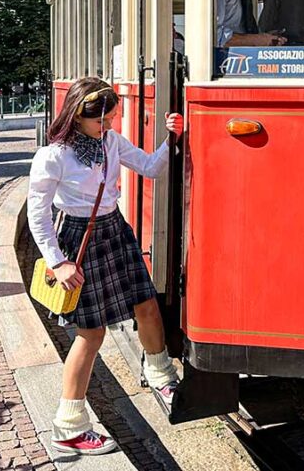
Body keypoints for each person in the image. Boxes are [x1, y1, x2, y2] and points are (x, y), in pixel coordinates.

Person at [26, 77, 184, 456]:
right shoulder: (53, 156)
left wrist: (170, 139)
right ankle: (68, 428)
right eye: (103, 121)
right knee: (91, 334)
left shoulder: (110, 142)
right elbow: (38, 215)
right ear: (79, 116)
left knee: (146, 303)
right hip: (77, 240)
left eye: (112, 119)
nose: (109, 127)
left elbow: (150, 168)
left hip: (114, 229)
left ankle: (160, 374)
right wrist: (58, 263)